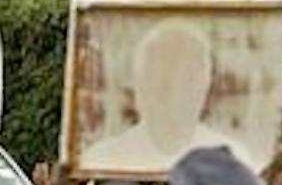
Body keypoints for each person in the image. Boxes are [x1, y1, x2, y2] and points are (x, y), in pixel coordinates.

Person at [83, 20, 251, 170]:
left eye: (191, 81)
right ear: (141, 87)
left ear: (205, 89)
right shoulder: (102, 158)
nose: (178, 94)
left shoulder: (234, 158)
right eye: (164, 81)